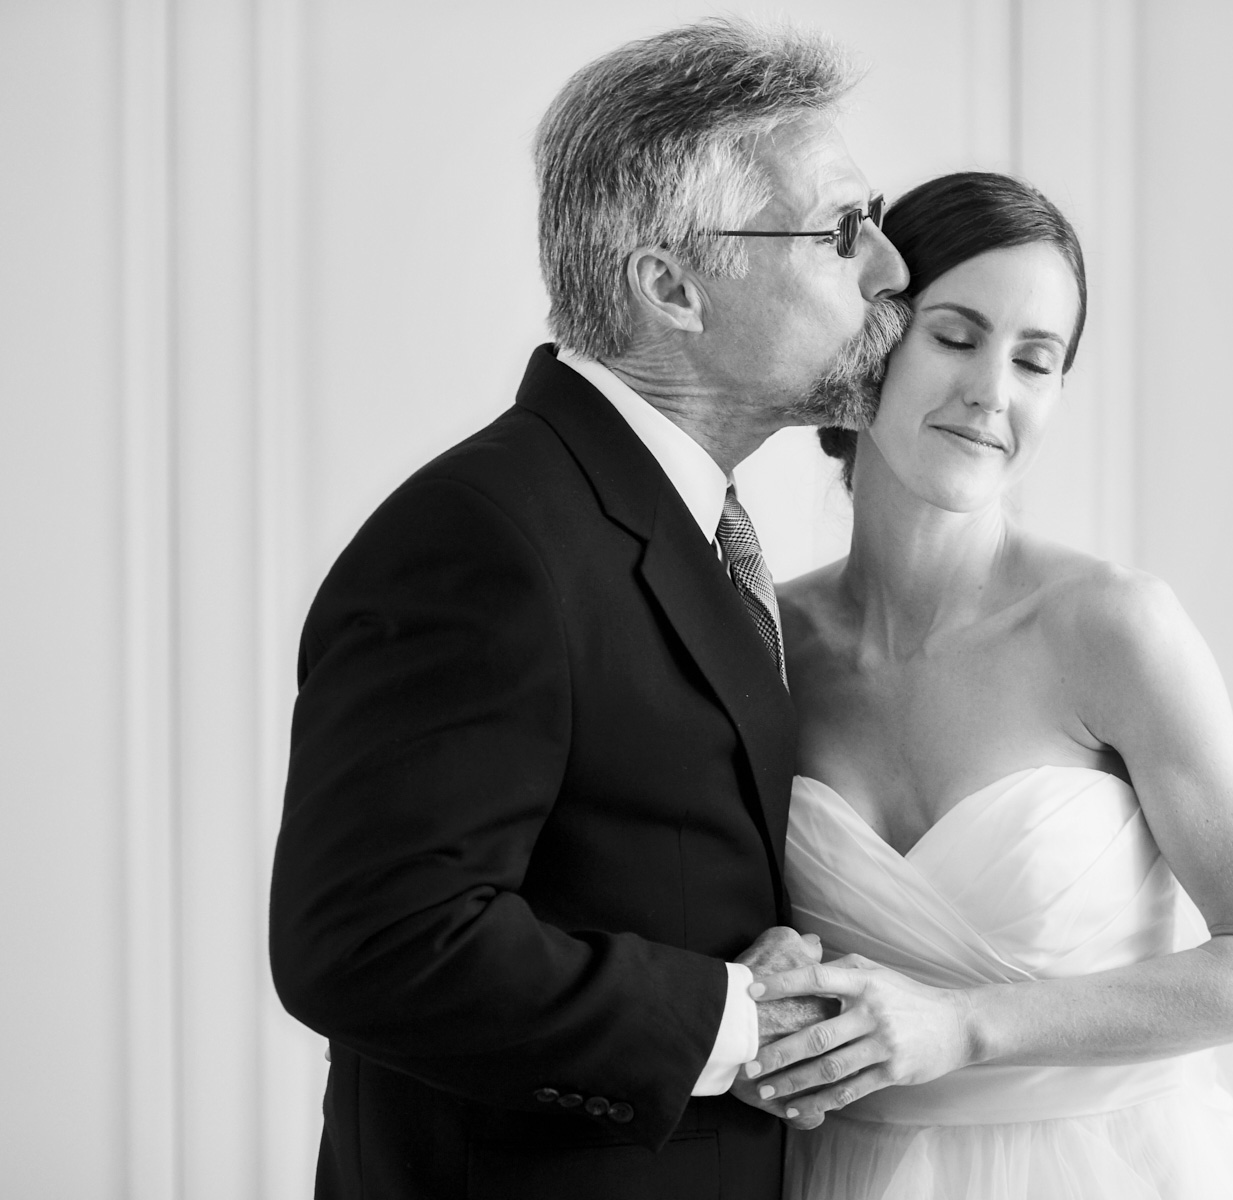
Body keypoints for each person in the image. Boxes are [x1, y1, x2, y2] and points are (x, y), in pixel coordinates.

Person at [267, 20, 907, 1200]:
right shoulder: (482, 539)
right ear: (670, 288)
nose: (890, 271)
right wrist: (733, 1019)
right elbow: (371, 941)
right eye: (839, 231)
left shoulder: (687, 521)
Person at [748, 173, 1233, 1199]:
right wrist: (760, 979)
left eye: (1036, 361)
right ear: (871, 339)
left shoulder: (1111, 629)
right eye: (955, 336)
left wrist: (966, 1025)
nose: (993, 392)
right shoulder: (762, 644)